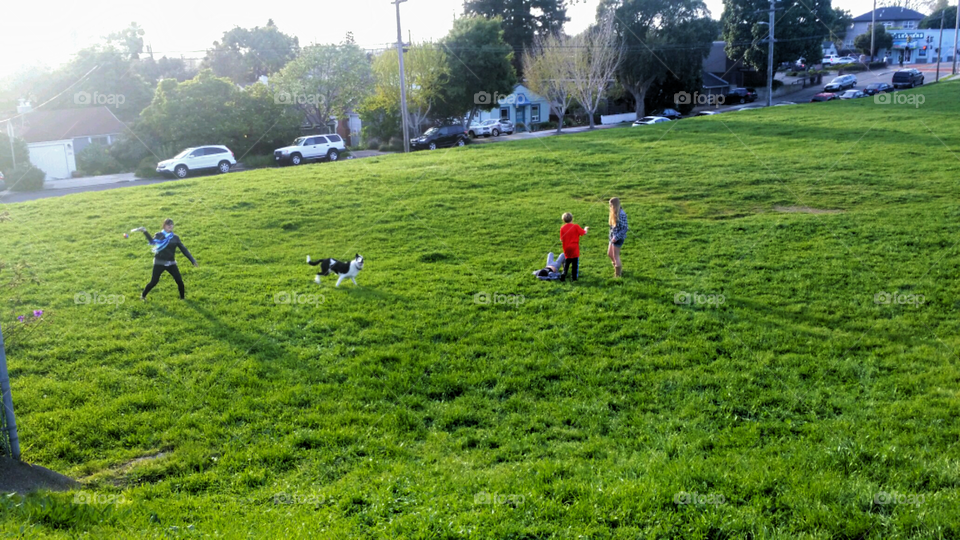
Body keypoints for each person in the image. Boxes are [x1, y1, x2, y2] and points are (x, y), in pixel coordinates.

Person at [137, 219, 198, 300]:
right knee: (154, 282)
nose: (170, 226)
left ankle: (182, 298)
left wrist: (192, 260)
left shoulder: (175, 237)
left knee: (179, 281)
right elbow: (152, 242)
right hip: (159, 263)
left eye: (171, 224)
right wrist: (144, 231)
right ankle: (143, 296)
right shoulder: (159, 235)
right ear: (164, 226)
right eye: (167, 224)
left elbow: (184, 249)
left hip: (171, 263)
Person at [559, 212, 588, 282]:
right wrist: (586, 228)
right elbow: (584, 233)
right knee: (575, 264)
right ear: (572, 218)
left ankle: (564, 273)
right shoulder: (576, 226)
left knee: (567, 262)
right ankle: (574, 277)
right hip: (574, 248)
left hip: (566, 248)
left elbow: (561, 239)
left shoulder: (562, 228)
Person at [607, 197, 628, 278]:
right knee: (609, 254)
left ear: (615, 205)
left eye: (611, 205)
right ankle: (617, 268)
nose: (610, 207)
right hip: (612, 237)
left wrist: (616, 237)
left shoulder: (622, 214)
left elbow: (625, 228)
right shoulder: (613, 212)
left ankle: (618, 275)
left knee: (616, 256)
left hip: (618, 238)